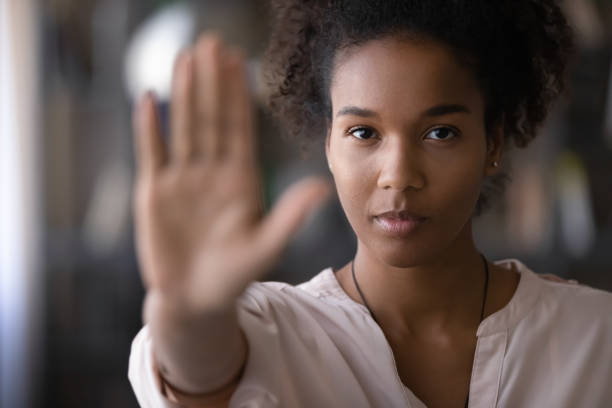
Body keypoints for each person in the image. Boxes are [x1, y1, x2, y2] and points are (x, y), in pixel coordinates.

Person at [128, 1, 612, 407]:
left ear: (492, 144)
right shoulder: (273, 332)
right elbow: (198, 374)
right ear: (328, 147)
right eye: (363, 132)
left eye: (440, 132)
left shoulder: (593, 339)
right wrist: (188, 313)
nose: (398, 175)